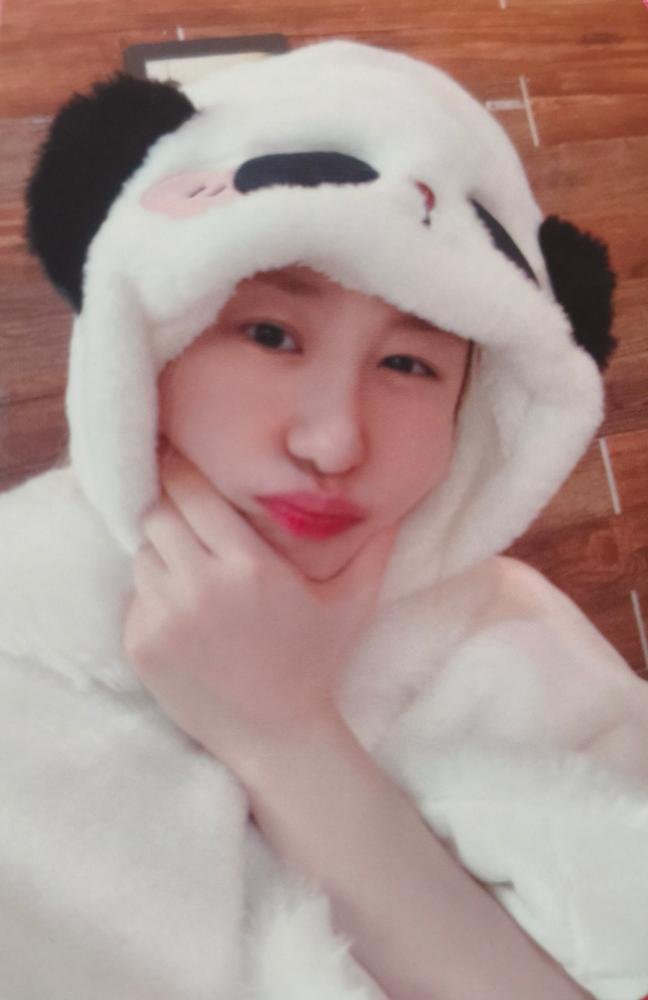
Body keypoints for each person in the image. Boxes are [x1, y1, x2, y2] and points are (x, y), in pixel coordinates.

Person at [1, 36, 647, 1000]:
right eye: (270, 333)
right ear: (151, 343)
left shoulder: (535, 654)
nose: (334, 441)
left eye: (409, 364)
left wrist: (283, 733)